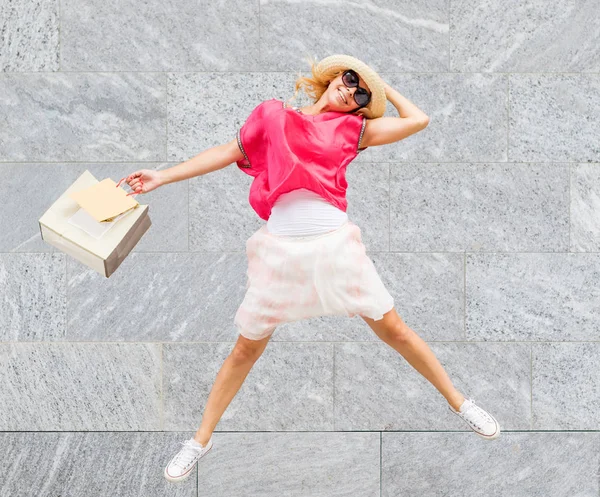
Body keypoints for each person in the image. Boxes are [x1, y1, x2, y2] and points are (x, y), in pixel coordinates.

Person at [124, 54, 501, 484]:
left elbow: (419, 120)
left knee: (393, 328)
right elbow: (227, 152)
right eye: (349, 79)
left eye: (361, 93)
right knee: (246, 349)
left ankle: (460, 402)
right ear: (330, 77)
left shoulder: (354, 129)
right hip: (280, 251)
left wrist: (380, 88)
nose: (351, 89)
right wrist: (163, 176)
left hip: (335, 245)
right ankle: (199, 441)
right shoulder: (272, 115)